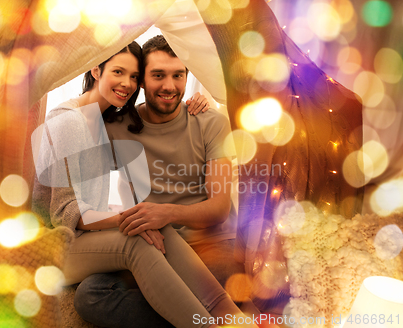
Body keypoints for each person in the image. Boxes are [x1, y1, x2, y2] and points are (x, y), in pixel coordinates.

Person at [32, 41, 255, 328]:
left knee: (152, 222)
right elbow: (64, 212)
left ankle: (236, 321)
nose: (127, 83)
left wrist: (206, 106)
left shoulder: (105, 120)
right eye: (118, 72)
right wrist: (132, 217)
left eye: (133, 76)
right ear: (95, 69)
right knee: (132, 244)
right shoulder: (73, 122)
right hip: (54, 244)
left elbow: (217, 207)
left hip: (198, 244)